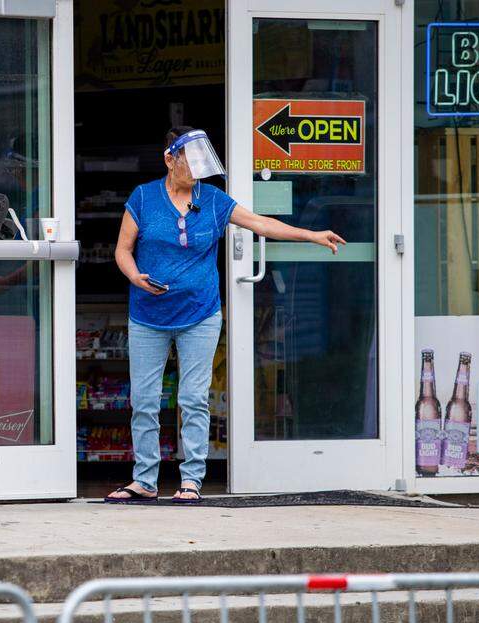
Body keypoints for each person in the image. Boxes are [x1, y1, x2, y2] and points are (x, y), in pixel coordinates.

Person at [105, 126, 346, 503]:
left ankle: (191, 480)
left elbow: (262, 223)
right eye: (190, 163)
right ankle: (145, 480)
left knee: (193, 399)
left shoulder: (214, 200)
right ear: (169, 159)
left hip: (200, 314)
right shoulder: (143, 198)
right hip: (148, 315)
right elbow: (122, 249)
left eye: (201, 164)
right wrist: (135, 276)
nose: (197, 171)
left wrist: (311, 234)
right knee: (146, 399)